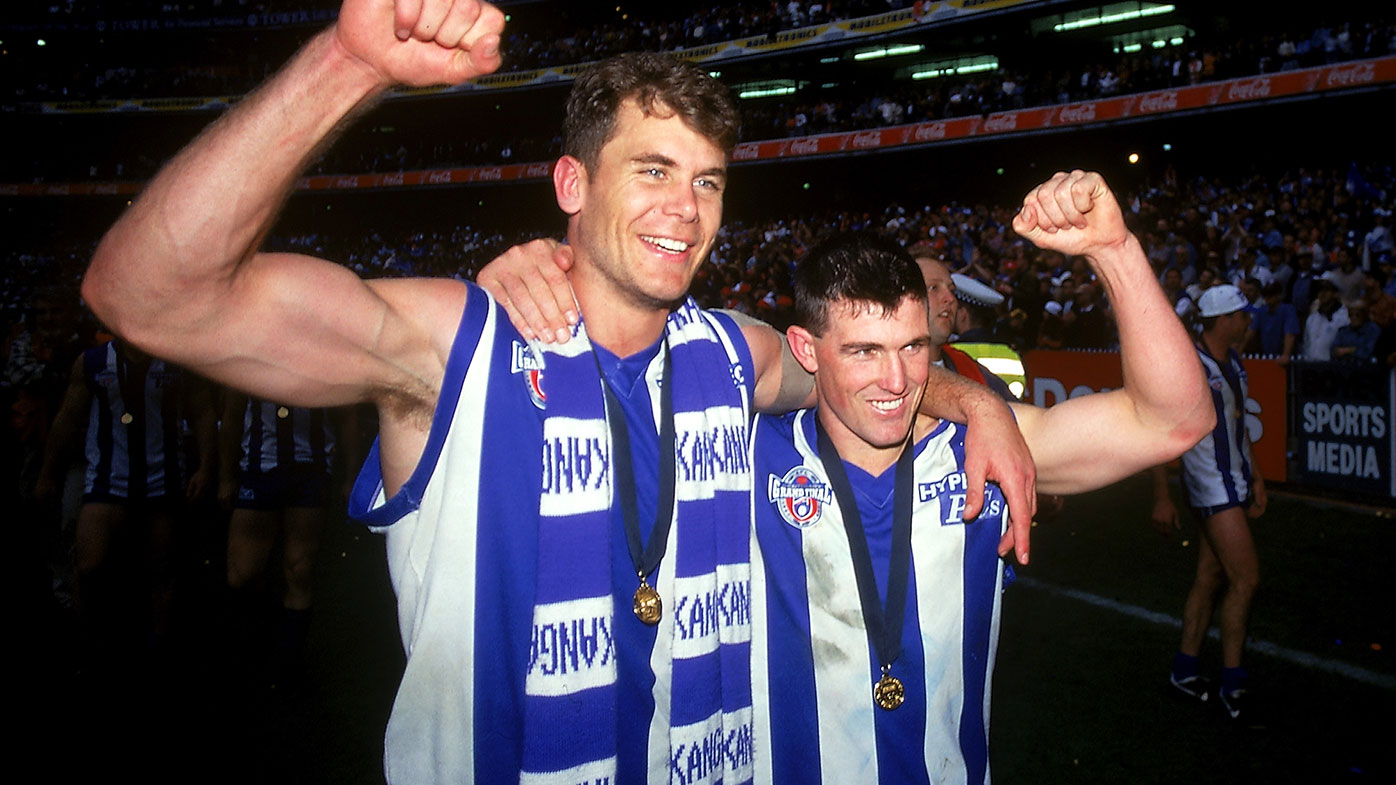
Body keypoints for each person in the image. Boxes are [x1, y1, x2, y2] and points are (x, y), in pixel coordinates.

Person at [80, 2, 1034, 781]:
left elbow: (863, 367)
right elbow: (147, 295)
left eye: (707, 182)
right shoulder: (456, 343)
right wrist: (348, 62)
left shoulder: (733, 356)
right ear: (572, 182)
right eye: (652, 171)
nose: (685, 210)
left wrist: (968, 399)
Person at [748, 172, 1212, 783]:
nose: (895, 381)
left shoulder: (981, 452)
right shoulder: (746, 453)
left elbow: (1176, 421)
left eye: (912, 347)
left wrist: (1114, 250)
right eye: (864, 351)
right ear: (807, 351)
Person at [37, 340, 215, 666]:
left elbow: (202, 410)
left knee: (162, 571)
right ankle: (85, 646)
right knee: (90, 567)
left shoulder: (175, 360)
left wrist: (206, 467)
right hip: (108, 481)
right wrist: (48, 472)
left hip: (163, 482)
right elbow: (67, 417)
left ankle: (159, 648)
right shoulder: (92, 362)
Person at [1151, 284, 1265, 721]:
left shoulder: (1233, 362)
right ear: (1222, 320)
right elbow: (1161, 432)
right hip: (1211, 486)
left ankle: (1185, 668)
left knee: (1210, 576)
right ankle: (1233, 681)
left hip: (1229, 482)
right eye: (1240, 315)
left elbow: (1236, 427)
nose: (1246, 320)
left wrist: (1255, 474)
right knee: (1246, 579)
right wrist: (1162, 495)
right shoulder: (1191, 367)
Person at [220, 393, 341, 685]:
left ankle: (289, 665)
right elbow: (233, 413)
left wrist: (349, 475)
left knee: (299, 570)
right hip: (259, 469)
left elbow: (346, 414)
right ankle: (255, 643)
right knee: (242, 573)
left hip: (309, 471)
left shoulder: (324, 353)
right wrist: (226, 478)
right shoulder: (249, 353)